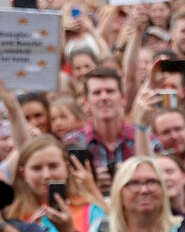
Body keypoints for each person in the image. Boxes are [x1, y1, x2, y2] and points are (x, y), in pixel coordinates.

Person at [6, 135, 106, 232]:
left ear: (67, 168)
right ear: (23, 173)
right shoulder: (12, 215)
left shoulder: (91, 211)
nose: (46, 175)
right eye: (36, 168)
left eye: (53, 166)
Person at [64, 67, 157, 196]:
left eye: (110, 91)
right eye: (97, 93)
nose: (104, 97)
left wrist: (130, 178)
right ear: (86, 101)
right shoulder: (72, 143)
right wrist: (92, 184)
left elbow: (159, 182)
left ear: (123, 98)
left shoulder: (145, 138)